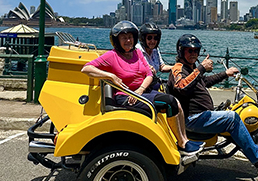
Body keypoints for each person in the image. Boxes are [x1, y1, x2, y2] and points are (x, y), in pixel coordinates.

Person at [81, 21, 203, 155]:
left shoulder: (137, 53)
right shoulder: (112, 55)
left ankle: (184, 140)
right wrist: (110, 76)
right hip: (125, 96)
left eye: (130, 37)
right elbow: (86, 68)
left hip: (140, 93)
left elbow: (149, 74)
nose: (128, 40)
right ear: (117, 40)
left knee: (176, 102)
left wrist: (140, 90)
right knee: (170, 103)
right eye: (123, 38)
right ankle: (181, 143)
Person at [167, 34, 258, 169]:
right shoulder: (178, 68)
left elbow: (205, 81)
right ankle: (257, 157)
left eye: (196, 51)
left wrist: (225, 73)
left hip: (201, 115)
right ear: (181, 51)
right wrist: (201, 68)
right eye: (190, 50)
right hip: (192, 119)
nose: (193, 54)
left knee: (232, 110)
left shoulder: (190, 69)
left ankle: (250, 145)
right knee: (232, 118)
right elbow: (182, 87)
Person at [136, 23, 171, 92]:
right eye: (149, 38)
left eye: (156, 38)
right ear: (143, 38)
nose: (153, 41)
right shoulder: (137, 50)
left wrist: (176, 67)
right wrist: (146, 67)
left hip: (154, 84)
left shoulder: (155, 50)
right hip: (142, 86)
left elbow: (162, 67)